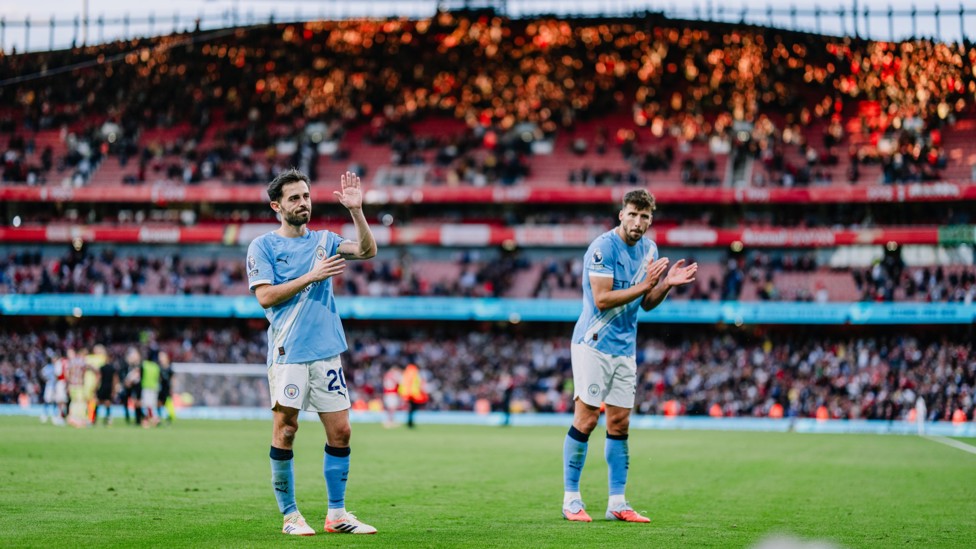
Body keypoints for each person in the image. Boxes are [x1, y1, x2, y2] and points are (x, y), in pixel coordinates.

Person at [247, 169, 377, 536]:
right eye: (293, 198)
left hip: (327, 353)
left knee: (342, 431)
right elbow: (264, 296)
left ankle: (337, 515)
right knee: (286, 429)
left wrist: (356, 211)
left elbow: (367, 251)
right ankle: (290, 516)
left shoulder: (325, 240)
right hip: (289, 352)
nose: (303, 203)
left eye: (305, 196)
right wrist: (312, 275)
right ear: (277, 206)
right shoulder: (263, 246)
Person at [561, 189, 697, 523]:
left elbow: (646, 302)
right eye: (633, 214)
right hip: (593, 342)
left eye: (645, 216)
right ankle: (571, 499)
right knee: (587, 418)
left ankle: (617, 503)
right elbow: (603, 299)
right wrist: (648, 283)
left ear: (651, 219)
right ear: (621, 214)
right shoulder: (602, 248)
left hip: (625, 347)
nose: (638, 222)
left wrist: (665, 285)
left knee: (620, 423)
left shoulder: (650, 249)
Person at [398, 363, 428, 429]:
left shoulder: (406, 373)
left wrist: (402, 393)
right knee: (412, 409)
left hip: (407, 394)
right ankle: (410, 422)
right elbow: (419, 383)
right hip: (414, 395)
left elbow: (402, 383)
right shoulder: (416, 373)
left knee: (410, 409)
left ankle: (409, 422)